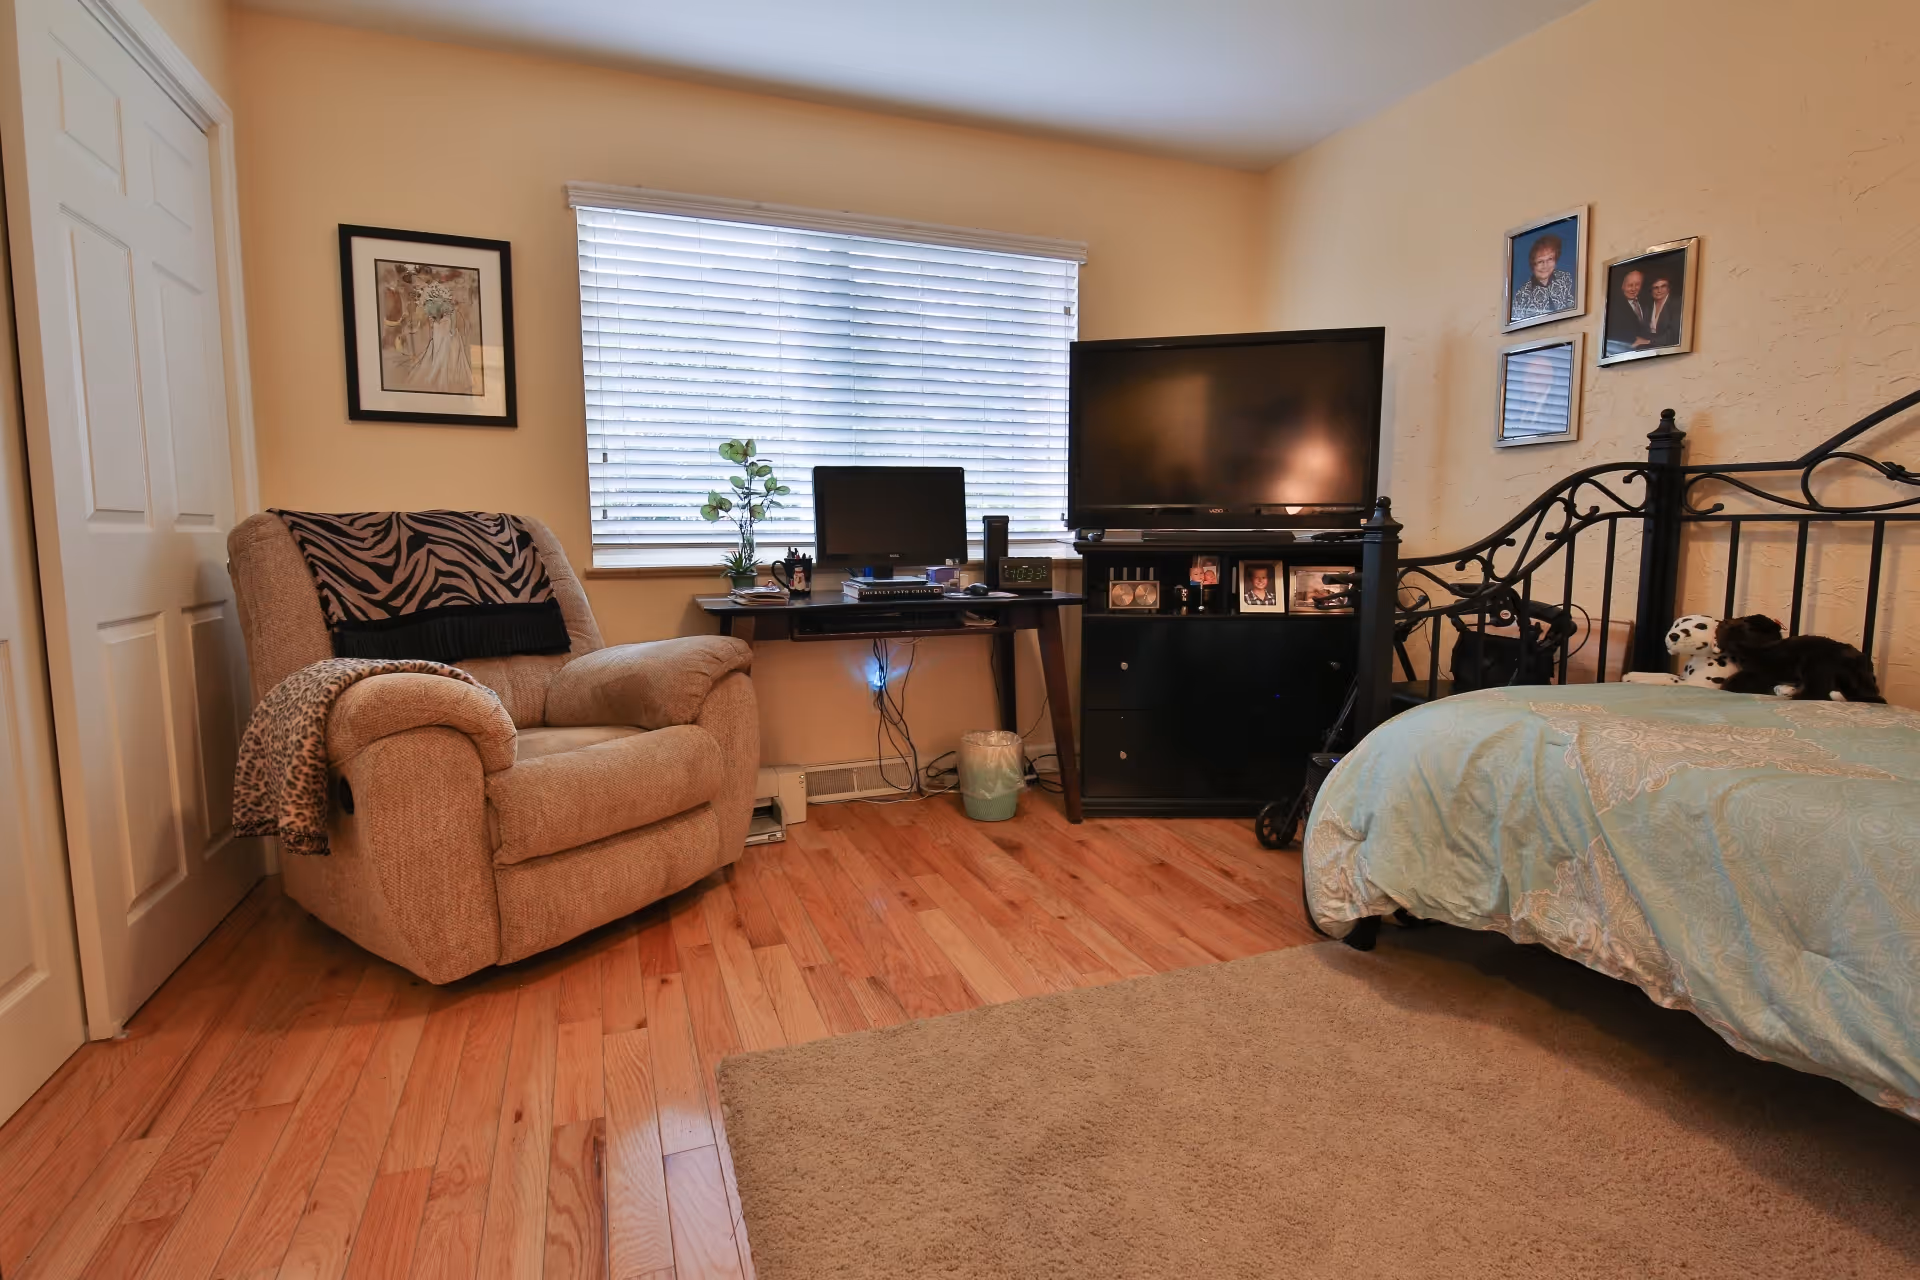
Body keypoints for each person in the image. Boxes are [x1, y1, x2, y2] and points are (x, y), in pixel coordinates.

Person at [1510, 233, 1576, 322]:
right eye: (1540, 261)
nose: (1546, 266)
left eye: (1550, 259)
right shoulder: (1521, 296)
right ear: (1532, 265)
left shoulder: (1566, 278)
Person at [1604, 269, 1652, 356]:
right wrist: (1634, 340)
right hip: (1623, 351)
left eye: (1637, 285)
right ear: (1622, 286)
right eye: (1630, 285)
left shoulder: (1646, 302)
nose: (1633, 289)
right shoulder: (1613, 306)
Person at [1646, 276, 1681, 347]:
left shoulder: (1677, 304)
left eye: (1663, 286)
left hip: (1669, 347)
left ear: (1668, 288)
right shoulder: (1647, 306)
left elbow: (1674, 333)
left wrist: (1649, 341)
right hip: (1649, 348)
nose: (1659, 290)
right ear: (1651, 290)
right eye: (1656, 288)